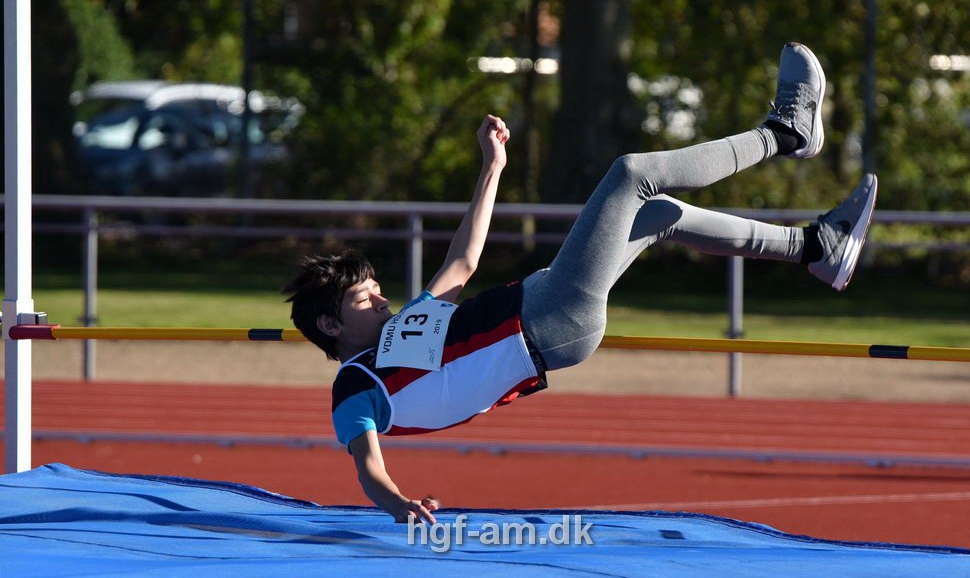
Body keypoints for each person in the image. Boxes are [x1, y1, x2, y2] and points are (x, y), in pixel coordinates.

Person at [283, 42, 878, 524]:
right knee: (630, 174)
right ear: (331, 324)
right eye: (365, 298)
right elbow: (369, 468)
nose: (382, 297)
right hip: (548, 322)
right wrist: (398, 505)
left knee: (658, 214)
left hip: (547, 306)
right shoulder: (355, 388)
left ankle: (815, 250)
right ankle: (785, 132)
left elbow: (462, 263)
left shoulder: (404, 330)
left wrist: (492, 170)